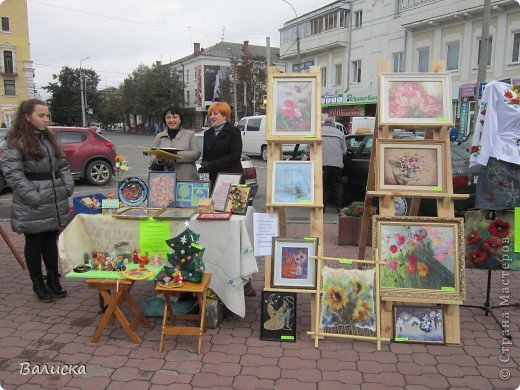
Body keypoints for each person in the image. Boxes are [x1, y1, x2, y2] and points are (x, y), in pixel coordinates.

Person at [0, 99, 74, 302]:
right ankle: (37, 282)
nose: (45, 119)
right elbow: (13, 175)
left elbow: (63, 166)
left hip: (54, 198)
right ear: (27, 116)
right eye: (41, 115)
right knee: (34, 242)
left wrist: (67, 187)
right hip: (33, 200)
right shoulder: (15, 141)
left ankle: (53, 278)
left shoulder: (49, 139)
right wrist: (34, 196)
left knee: (51, 240)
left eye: (46, 115)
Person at [198, 101, 243, 186]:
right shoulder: (207, 133)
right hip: (214, 178)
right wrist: (204, 166)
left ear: (224, 115)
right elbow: (206, 156)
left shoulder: (234, 131)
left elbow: (235, 155)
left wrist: (212, 165)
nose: (212, 117)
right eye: (210, 114)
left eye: (215, 114)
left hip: (231, 176)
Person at [150, 106, 200, 181]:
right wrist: (159, 159)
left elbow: (196, 153)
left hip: (187, 179)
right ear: (165, 120)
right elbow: (152, 157)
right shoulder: (159, 136)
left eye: (175, 117)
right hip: (166, 180)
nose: (171, 120)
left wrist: (173, 156)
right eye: (168, 118)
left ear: (180, 119)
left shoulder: (190, 134)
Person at [316, 117, 347, 212]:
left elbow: (311, 148)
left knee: (322, 185)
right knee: (336, 185)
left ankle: (322, 207)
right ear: (333, 124)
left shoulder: (318, 132)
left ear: (324, 124)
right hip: (336, 164)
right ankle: (339, 206)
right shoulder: (340, 133)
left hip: (321, 163)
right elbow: (344, 151)